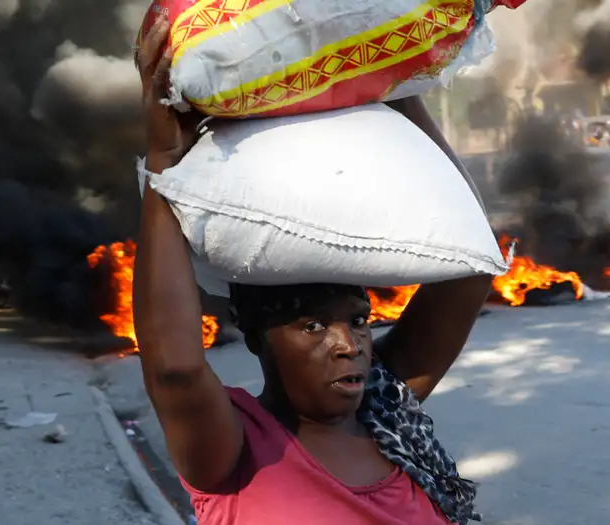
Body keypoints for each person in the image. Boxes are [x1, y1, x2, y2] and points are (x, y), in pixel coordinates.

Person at [133, 15, 494, 525]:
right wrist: (165, 157)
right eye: (314, 326)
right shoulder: (233, 450)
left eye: (359, 320)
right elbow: (174, 367)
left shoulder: (386, 407)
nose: (349, 344)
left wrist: (394, 81)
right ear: (256, 336)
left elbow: (471, 259)